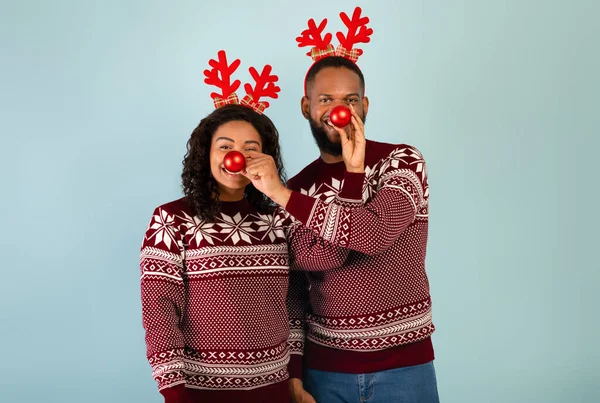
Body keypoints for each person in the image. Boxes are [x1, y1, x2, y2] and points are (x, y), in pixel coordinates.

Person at [244, 7, 440, 402]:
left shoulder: (401, 161)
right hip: (325, 371)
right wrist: (295, 376)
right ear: (306, 107)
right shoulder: (301, 186)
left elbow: (371, 234)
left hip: (405, 368)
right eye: (326, 100)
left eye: (351, 99)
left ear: (364, 107)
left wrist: (284, 194)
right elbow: (301, 282)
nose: (339, 111)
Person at [138, 50, 349, 403]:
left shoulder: (279, 219)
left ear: (266, 158)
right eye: (226, 146)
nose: (238, 156)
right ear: (206, 154)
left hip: (275, 392)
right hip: (201, 395)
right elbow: (159, 315)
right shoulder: (170, 220)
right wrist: (175, 396)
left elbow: (315, 276)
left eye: (251, 148)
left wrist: (294, 379)